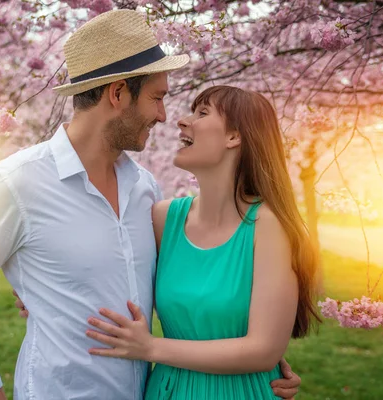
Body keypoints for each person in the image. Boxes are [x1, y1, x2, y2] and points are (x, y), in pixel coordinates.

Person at [0, 9, 301, 400]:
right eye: (157, 98)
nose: (163, 116)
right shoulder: (13, 184)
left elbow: (204, 275)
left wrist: (256, 368)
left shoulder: (145, 190)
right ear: (118, 93)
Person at [80, 85, 321, 399]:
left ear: (234, 137)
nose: (182, 121)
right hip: (168, 391)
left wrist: (151, 347)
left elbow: (263, 350)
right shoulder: (163, 220)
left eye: (202, 113)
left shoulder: (268, 226)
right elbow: (94, 264)